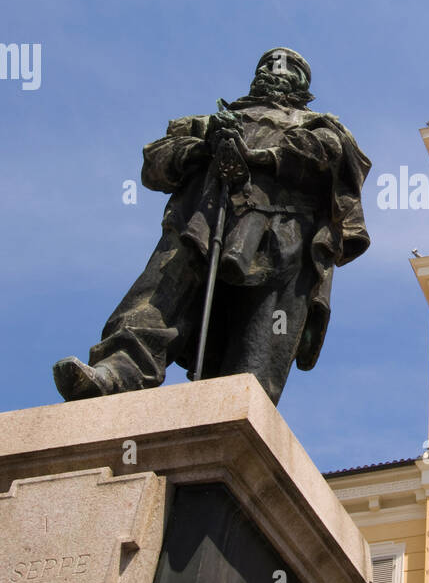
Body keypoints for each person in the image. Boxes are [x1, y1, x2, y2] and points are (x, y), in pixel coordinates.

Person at [53, 48, 370, 406]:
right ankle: (117, 373)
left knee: (259, 342)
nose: (274, 69)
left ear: (301, 83)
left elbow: (333, 160)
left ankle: (238, 416)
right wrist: (203, 147)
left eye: (287, 66)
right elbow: (156, 164)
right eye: (267, 63)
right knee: (158, 296)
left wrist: (259, 156)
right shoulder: (209, 121)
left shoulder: (318, 125)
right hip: (201, 221)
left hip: (284, 234)